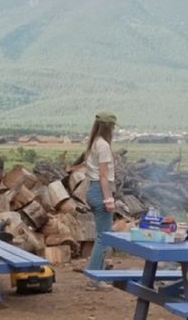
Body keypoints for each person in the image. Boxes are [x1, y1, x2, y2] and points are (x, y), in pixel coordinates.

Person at [84, 111, 118, 290]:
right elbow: (103, 175)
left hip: (93, 189)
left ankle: (98, 275)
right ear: (109, 127)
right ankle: (95, 278)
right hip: (100, 190)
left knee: (102, 235)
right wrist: (108, 199)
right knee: (103, 237)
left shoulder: (94, 143)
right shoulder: (104, 145)